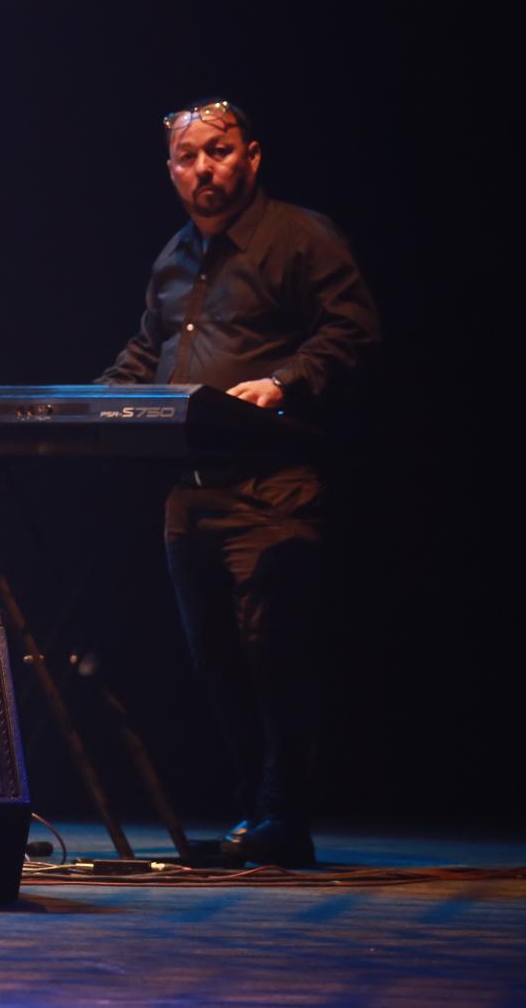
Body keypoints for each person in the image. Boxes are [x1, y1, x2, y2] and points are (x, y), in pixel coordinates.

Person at [99, 99, 379, 867]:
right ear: (170, 171)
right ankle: (254, 813)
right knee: (215, 657)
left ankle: (284, 818)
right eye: (188, 159)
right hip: (190, 494)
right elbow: (146, 350)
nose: (203, 171)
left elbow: (351, 328)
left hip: (272, 487)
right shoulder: (173, 257)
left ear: (251, 155)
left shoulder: (299, 235)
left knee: (273, 653)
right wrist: (86, 402)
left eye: (217, 153)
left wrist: (283, 381)